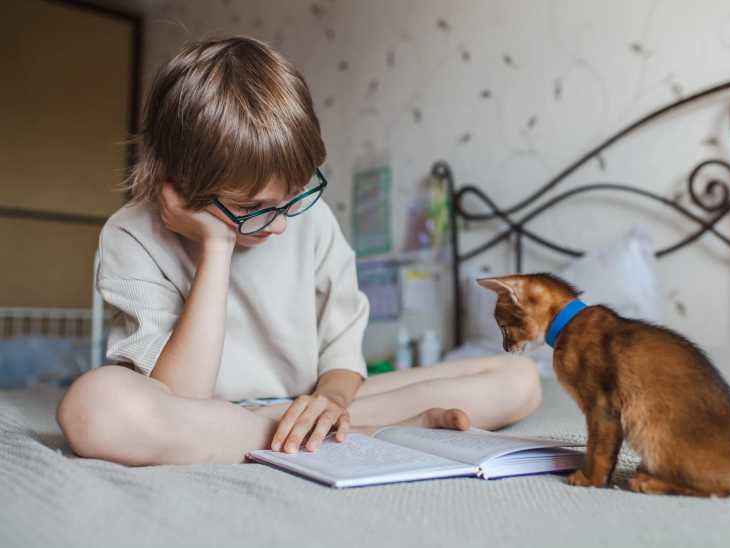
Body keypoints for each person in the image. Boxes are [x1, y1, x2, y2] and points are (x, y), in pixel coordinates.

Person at [56, 36, 541, 466]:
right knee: (94, 407)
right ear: (184, 183)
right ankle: (363, 434)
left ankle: (307, 427)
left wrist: (329, 400)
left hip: (304, 399)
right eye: (253, 207)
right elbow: (181, 398)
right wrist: (218, 245)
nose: (283, 221)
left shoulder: (310, 219)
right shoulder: (131, 234)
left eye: (293, 195)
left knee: (519, 378)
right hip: (201, 411)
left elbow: (343, 355)